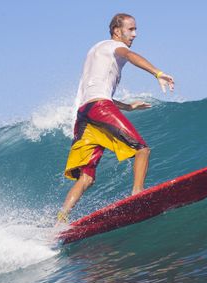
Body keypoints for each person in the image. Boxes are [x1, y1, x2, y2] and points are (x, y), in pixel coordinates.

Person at [57, 13, 175, 223]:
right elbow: (130, 56)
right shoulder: (115, 47)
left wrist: (126, 106)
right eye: (131, 29)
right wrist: (157, 72)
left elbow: (95, 92)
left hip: (84, 113)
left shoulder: (95, 50)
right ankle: (137, 194)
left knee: (87, 177)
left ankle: (60, 220)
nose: (135, 34)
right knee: (142, 150)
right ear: (117, 31)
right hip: (99, 108)